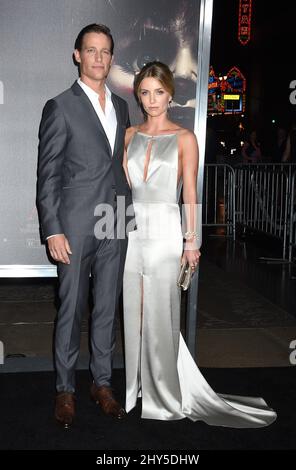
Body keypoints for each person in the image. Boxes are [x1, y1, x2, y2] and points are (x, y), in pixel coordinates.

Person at [122, 61, 277, 427]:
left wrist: (192, 243)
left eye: (158, 92)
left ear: (170, 94)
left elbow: (190, 193)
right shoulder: (127, 136)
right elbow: (121, 189)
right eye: (144, 92)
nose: (151, 100)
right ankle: (137, 387)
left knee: (162, 312)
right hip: (130, 231)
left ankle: (165, 394)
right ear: (138, 95)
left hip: (166, 233)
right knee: (133, 309)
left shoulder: (184, 138)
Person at [37, 24, 132, 428]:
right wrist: (52, 228)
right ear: (77, 55)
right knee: (72, 307)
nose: (99, 58)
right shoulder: (60, 106)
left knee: (108, 306)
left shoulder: (122, 107)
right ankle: (65, 389)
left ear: (111, 58)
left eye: (105, 51)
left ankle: (103, 383)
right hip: (74, 223)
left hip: (117, 216)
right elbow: (47, 175)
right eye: (91, 50)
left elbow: (119, 165)